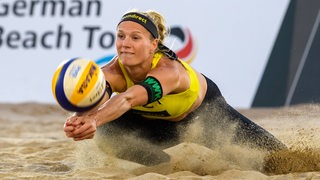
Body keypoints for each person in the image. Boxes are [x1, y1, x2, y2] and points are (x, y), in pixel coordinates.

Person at [64, 9, 287, 166]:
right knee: (106, 132)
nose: (125, 44)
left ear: (153, 45)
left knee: (279, 160)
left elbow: (128, 99)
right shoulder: (110, 72)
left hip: (205, 118)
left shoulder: (169, 70)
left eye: (135, 37)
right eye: (121, 36)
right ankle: (163, 165)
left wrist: (94, 119)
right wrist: (80, 118)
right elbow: (96, 101)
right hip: (157, 127)